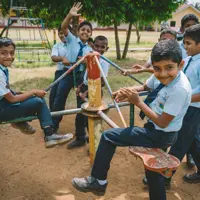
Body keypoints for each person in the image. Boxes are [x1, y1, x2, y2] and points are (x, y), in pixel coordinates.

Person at [71, 39, 192, 200]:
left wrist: (138, 102)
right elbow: (145, 88)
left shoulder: (180, 89)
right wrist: (125, 91)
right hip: (158, 131)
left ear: (181, 64)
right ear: (153, 66)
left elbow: (163, 122)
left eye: (169, 68)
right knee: (153, 169)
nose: (163, 74)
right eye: (157, 69)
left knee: (109, 136)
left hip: (160, 134)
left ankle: (98, 181)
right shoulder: (165, 76)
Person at [143, 24, 200, 188]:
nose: (185, 47)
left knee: (180, 142)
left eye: (188, 43)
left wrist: (183, 99)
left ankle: (165, 177)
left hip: (193, 109)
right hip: (183, 107)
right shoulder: (188, 60)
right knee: (193, 140)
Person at [0, 37, 72, 148]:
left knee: (35, 99)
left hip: (4, 106)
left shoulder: (2, 69)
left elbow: (6, 91)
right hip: (2, 109)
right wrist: (33, 91)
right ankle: (49, 134)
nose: (9, 56)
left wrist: (21, 92)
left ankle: (22, 123)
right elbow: (12, 99)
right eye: (3, 53)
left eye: (12, 53)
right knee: (38, 102)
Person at [51, 2, 93, 131]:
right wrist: (70, 15)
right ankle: (53, 126)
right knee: (59, 98)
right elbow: (63, 26)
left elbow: (90, 65)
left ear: (91, 34)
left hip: (80, 77)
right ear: (78, 31)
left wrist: (86, 63)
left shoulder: (89, 49)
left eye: (88, 31)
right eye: (83, 30)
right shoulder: (72, 40)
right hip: (67, 73)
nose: (85, 32)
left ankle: (81, 130)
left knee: (81, 101)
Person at [67, 35, 110, 149]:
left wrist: (89, 92)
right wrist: (80, 87)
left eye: (103, 47)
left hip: (95, 91)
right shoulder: (90, 59)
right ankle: (80, 138)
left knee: (91, 117)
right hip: (85, 88)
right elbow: (86, 77)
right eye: (97, 46)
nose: (99, 49)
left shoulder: (104, 62)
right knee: (80, 115)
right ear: (92, 46)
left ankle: (94, 143)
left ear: (107, 48)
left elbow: (102, 82)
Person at [49, 25, 70, 111]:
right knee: (53, 94)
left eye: (64, 33)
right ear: (58, 34)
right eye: (60, 33)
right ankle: (53, 114)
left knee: (60, 94)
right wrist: (62, 58)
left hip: (72, 72)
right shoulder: (57, 46)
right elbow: (54, 57)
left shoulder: (73, 45)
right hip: (60, 72)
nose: (63, 35)